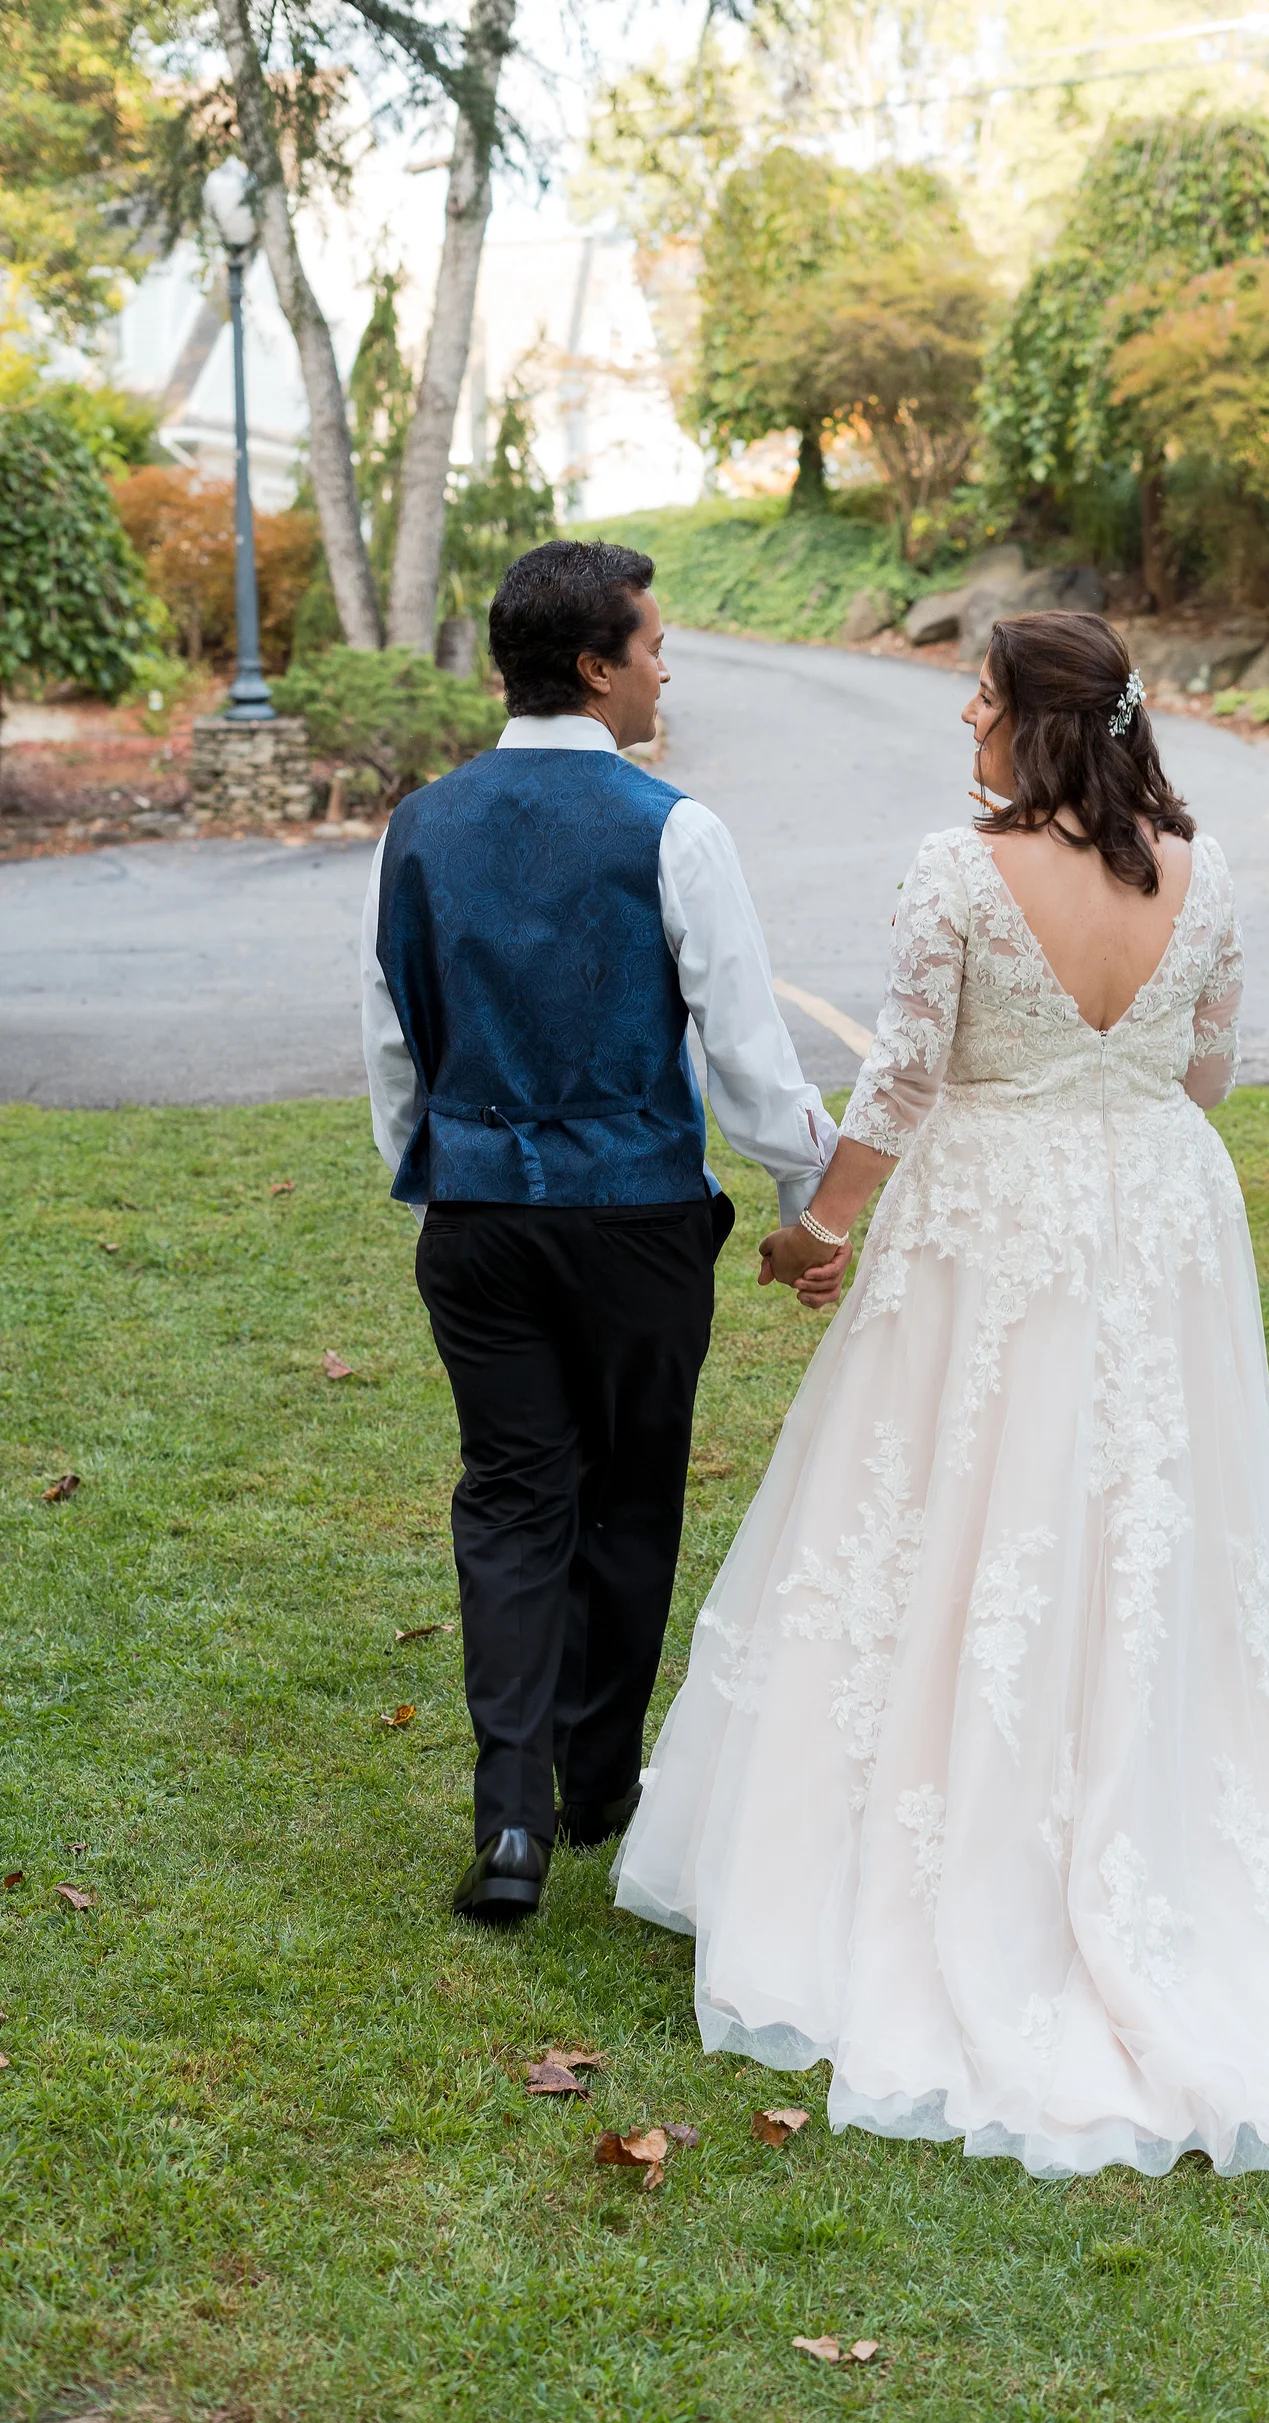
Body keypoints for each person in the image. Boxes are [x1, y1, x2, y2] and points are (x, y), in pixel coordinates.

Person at [613, 610, 1269, 2180]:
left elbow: (896, 1076)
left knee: (954, 1490)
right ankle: (1143, 1798)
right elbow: (1208, 1069)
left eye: (980, 693)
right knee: (1148, 1499)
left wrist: (820, 1223)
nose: (960, 716)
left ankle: (942, 1845)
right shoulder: (1201, 868)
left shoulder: (957, 871)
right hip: (1156, 1204)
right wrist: (1112, 1093)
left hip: (993, 1203)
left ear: (1034, 720)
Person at [361, 539, 835, 1925]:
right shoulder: (672, 828)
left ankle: (509, 1823)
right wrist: (807, 1198)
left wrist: (437, 1173)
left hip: (478, 1215)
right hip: (631, 1217)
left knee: (511, 1498)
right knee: (629, 1496)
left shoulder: (419, 824)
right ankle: (601, 1783)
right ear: (593, 667)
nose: (665, 667)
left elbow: (391, 1036)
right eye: (651, 645)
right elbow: (747, 1055)